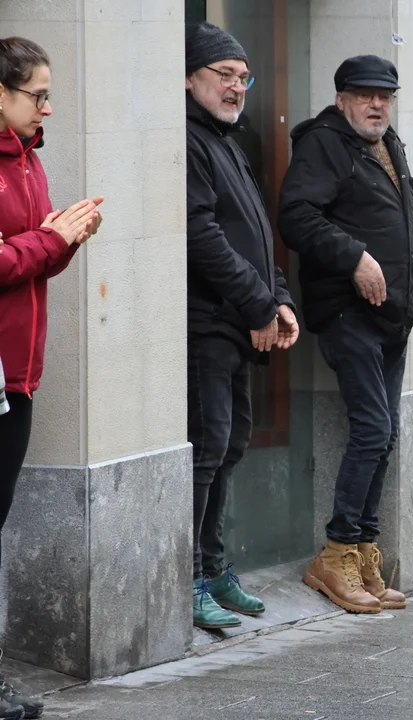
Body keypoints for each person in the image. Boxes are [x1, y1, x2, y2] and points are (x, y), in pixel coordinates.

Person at [279, 55, 413, 614]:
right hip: (349, 312)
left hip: (392, 313)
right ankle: (336, 553)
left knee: (384, 433)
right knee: (372, 428)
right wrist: (355, 258)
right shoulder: (323, 143)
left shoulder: (388, 144)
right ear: (341, 100)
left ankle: (364, 550)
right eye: (365, 95)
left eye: (385, 96)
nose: (376, 105)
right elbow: (295, 216)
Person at [0, 35, 104, 720]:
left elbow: (27, 259)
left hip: (18, 376)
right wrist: (49, 239)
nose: (48, 108)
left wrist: (66, 239)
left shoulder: (28, 157)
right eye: (37, 95)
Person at [185, 22, 299, 630]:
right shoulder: (188, 140)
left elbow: (256, 233)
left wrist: (278, 299)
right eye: (224, 75)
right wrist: (258, 305)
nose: (236, 87)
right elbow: (201, 237)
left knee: (229, 446)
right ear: (189, 78)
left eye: (243, 78)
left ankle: (213, 566)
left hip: (237, 321)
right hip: (208, 324)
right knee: (206, 451)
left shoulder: (228, 140)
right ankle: (190, 579)